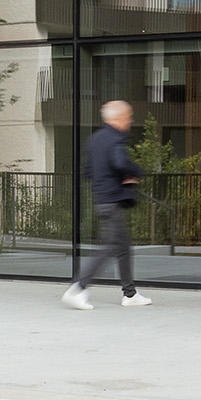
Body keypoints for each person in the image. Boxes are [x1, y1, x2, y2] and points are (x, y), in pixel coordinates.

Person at [63, 98, 152, 309]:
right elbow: (120, 162)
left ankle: (130, 294)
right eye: (128, 117)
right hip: (112, 200)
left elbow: (87, 172)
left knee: (123, 247)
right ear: (119, 118)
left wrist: (104, 183)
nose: (129, 122)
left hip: (102, 199)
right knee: (111, 247)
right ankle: (78, 288)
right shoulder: (115, 139)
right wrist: (134, 173)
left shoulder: (94, 139)